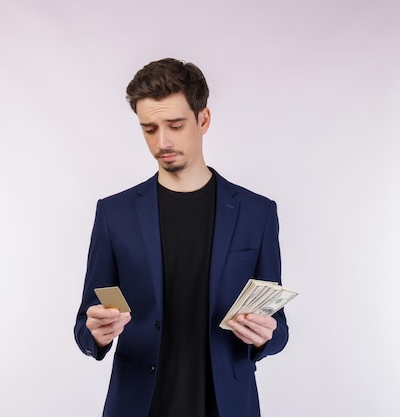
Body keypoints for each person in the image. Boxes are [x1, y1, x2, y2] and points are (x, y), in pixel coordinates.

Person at [73, 58, 289, 417]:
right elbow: (85, 326)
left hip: (227, 406)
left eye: (175, 125)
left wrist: (266, 334)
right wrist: (96, 332)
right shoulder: (114, 214)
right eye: (149, 128)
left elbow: (277, 327)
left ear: (203, 120)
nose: (162, 141)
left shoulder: (257, 213)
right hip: (138, 406)